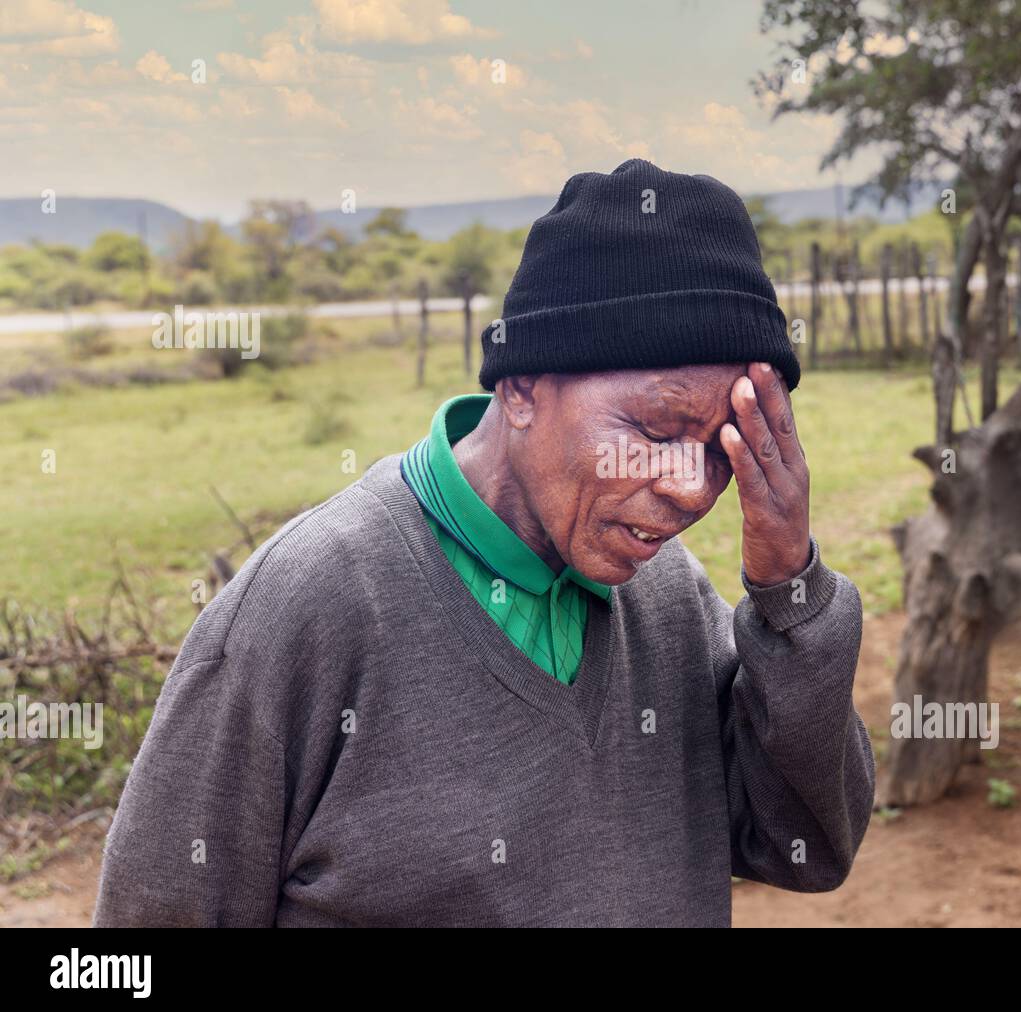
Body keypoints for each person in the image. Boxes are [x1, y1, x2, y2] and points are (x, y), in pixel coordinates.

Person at [93, 159, 875, 927]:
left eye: (722, 448)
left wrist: (790, 592)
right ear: (522, 386)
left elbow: (804, 845)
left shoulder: (667, 597)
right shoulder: (306, 609)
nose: (692, 488)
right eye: (657, 430)